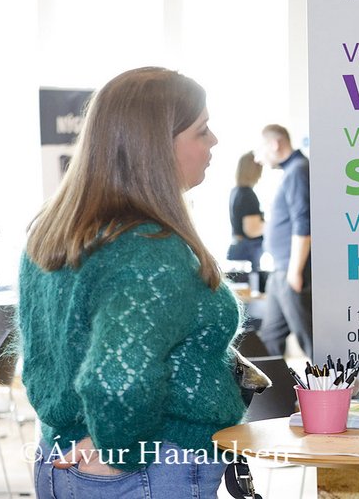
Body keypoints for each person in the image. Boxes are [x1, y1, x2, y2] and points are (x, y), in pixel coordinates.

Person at [18, 67, 247, 497]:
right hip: (142, 473)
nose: (214, 141)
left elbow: (42, 363)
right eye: (202, 130)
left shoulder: (55, 230)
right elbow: (117, 380)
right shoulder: (149, 248)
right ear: (157, 146)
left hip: (59, 460)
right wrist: (122, 452)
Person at [255, 124, 312, 358]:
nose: (257, 158)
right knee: (270, 337)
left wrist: (295, 271)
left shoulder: (298, 170)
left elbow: (303, 221)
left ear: (274, 144)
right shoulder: (292, 171)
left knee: (309, 338)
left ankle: (333, 382)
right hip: (281, 269)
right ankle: (269, 383)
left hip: (291, 269)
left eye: (260, 149)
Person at [227, 151, 265, 273]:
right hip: (247, 253)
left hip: (237, 249)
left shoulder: (235, 192)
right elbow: (252, 230)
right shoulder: (248, 195)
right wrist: (274, 225)